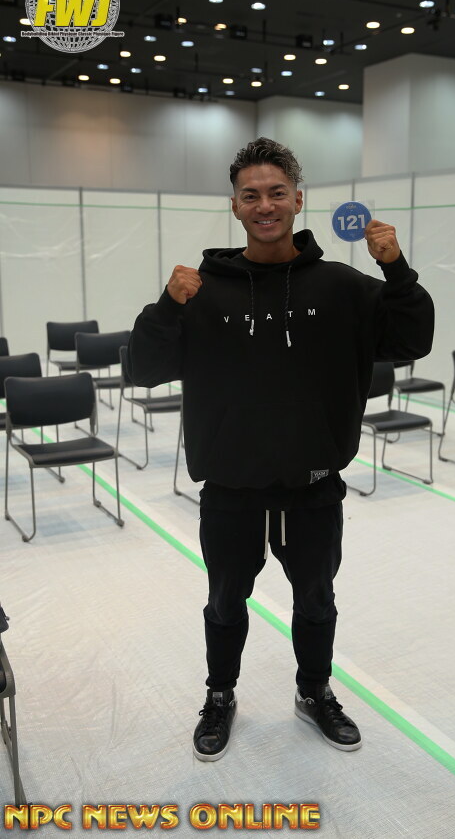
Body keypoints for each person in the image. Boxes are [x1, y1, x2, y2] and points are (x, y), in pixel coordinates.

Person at [128, 137, 434, 762]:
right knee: (224, 602)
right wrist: (165, 304)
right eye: (251, 195)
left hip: (312, 484)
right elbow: (143, 369)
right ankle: (219, 696)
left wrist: (397, 269)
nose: (264, 205)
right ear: (234, 206)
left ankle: (314, 691)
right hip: (230, 486)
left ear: (297, 200)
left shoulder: (343, 287)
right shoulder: (201, 290)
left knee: (315, 599)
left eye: (276, 193)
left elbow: (412, 340)